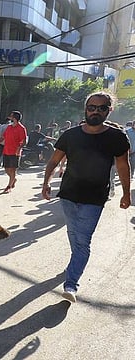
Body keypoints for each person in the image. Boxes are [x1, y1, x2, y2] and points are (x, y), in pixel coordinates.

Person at [42, 91, 130, 303]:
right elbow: (54, 161)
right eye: (92, 107)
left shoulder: (117, 137)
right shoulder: (70, 135)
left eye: (102, 108)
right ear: (86, 108)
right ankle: (75, 263)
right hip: (68, 195)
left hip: (95, 198)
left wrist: (126, 193)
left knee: (82, 242)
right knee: (74, 235)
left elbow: (122, 165)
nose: (95, 111)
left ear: (110, 110)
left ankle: (71, 284)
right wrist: (45, 182)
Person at [1, 110, 27, 193]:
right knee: (6, 169)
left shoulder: (21, 128)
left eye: (11, 116)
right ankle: (13, 179)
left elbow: (24, 141)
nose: (10, 117)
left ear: (15, 118)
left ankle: (9, 186)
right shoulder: (9, 127)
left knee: (13, 170)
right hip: (6, 151)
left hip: (15, 152)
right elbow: (4, 137)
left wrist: (19, 149)